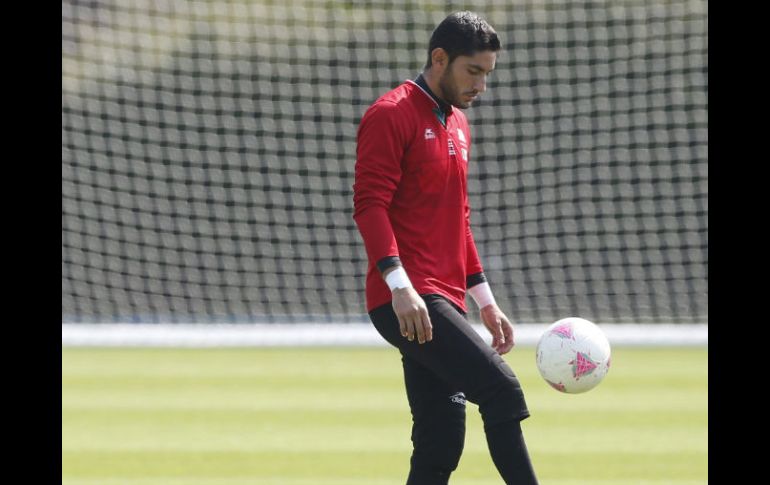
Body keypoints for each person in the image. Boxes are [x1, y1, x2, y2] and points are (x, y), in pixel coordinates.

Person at [352, 11, 539, 485]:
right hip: (408, 298)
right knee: (502, 390)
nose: (481, 85)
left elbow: (459, 220)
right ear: (439, 58)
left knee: (440, 441)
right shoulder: (391, 113)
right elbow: (370, 206)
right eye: (472, 71)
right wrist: (400, 286)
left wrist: (486, 301)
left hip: (445, 298)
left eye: (487, 74)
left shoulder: (458, 123)